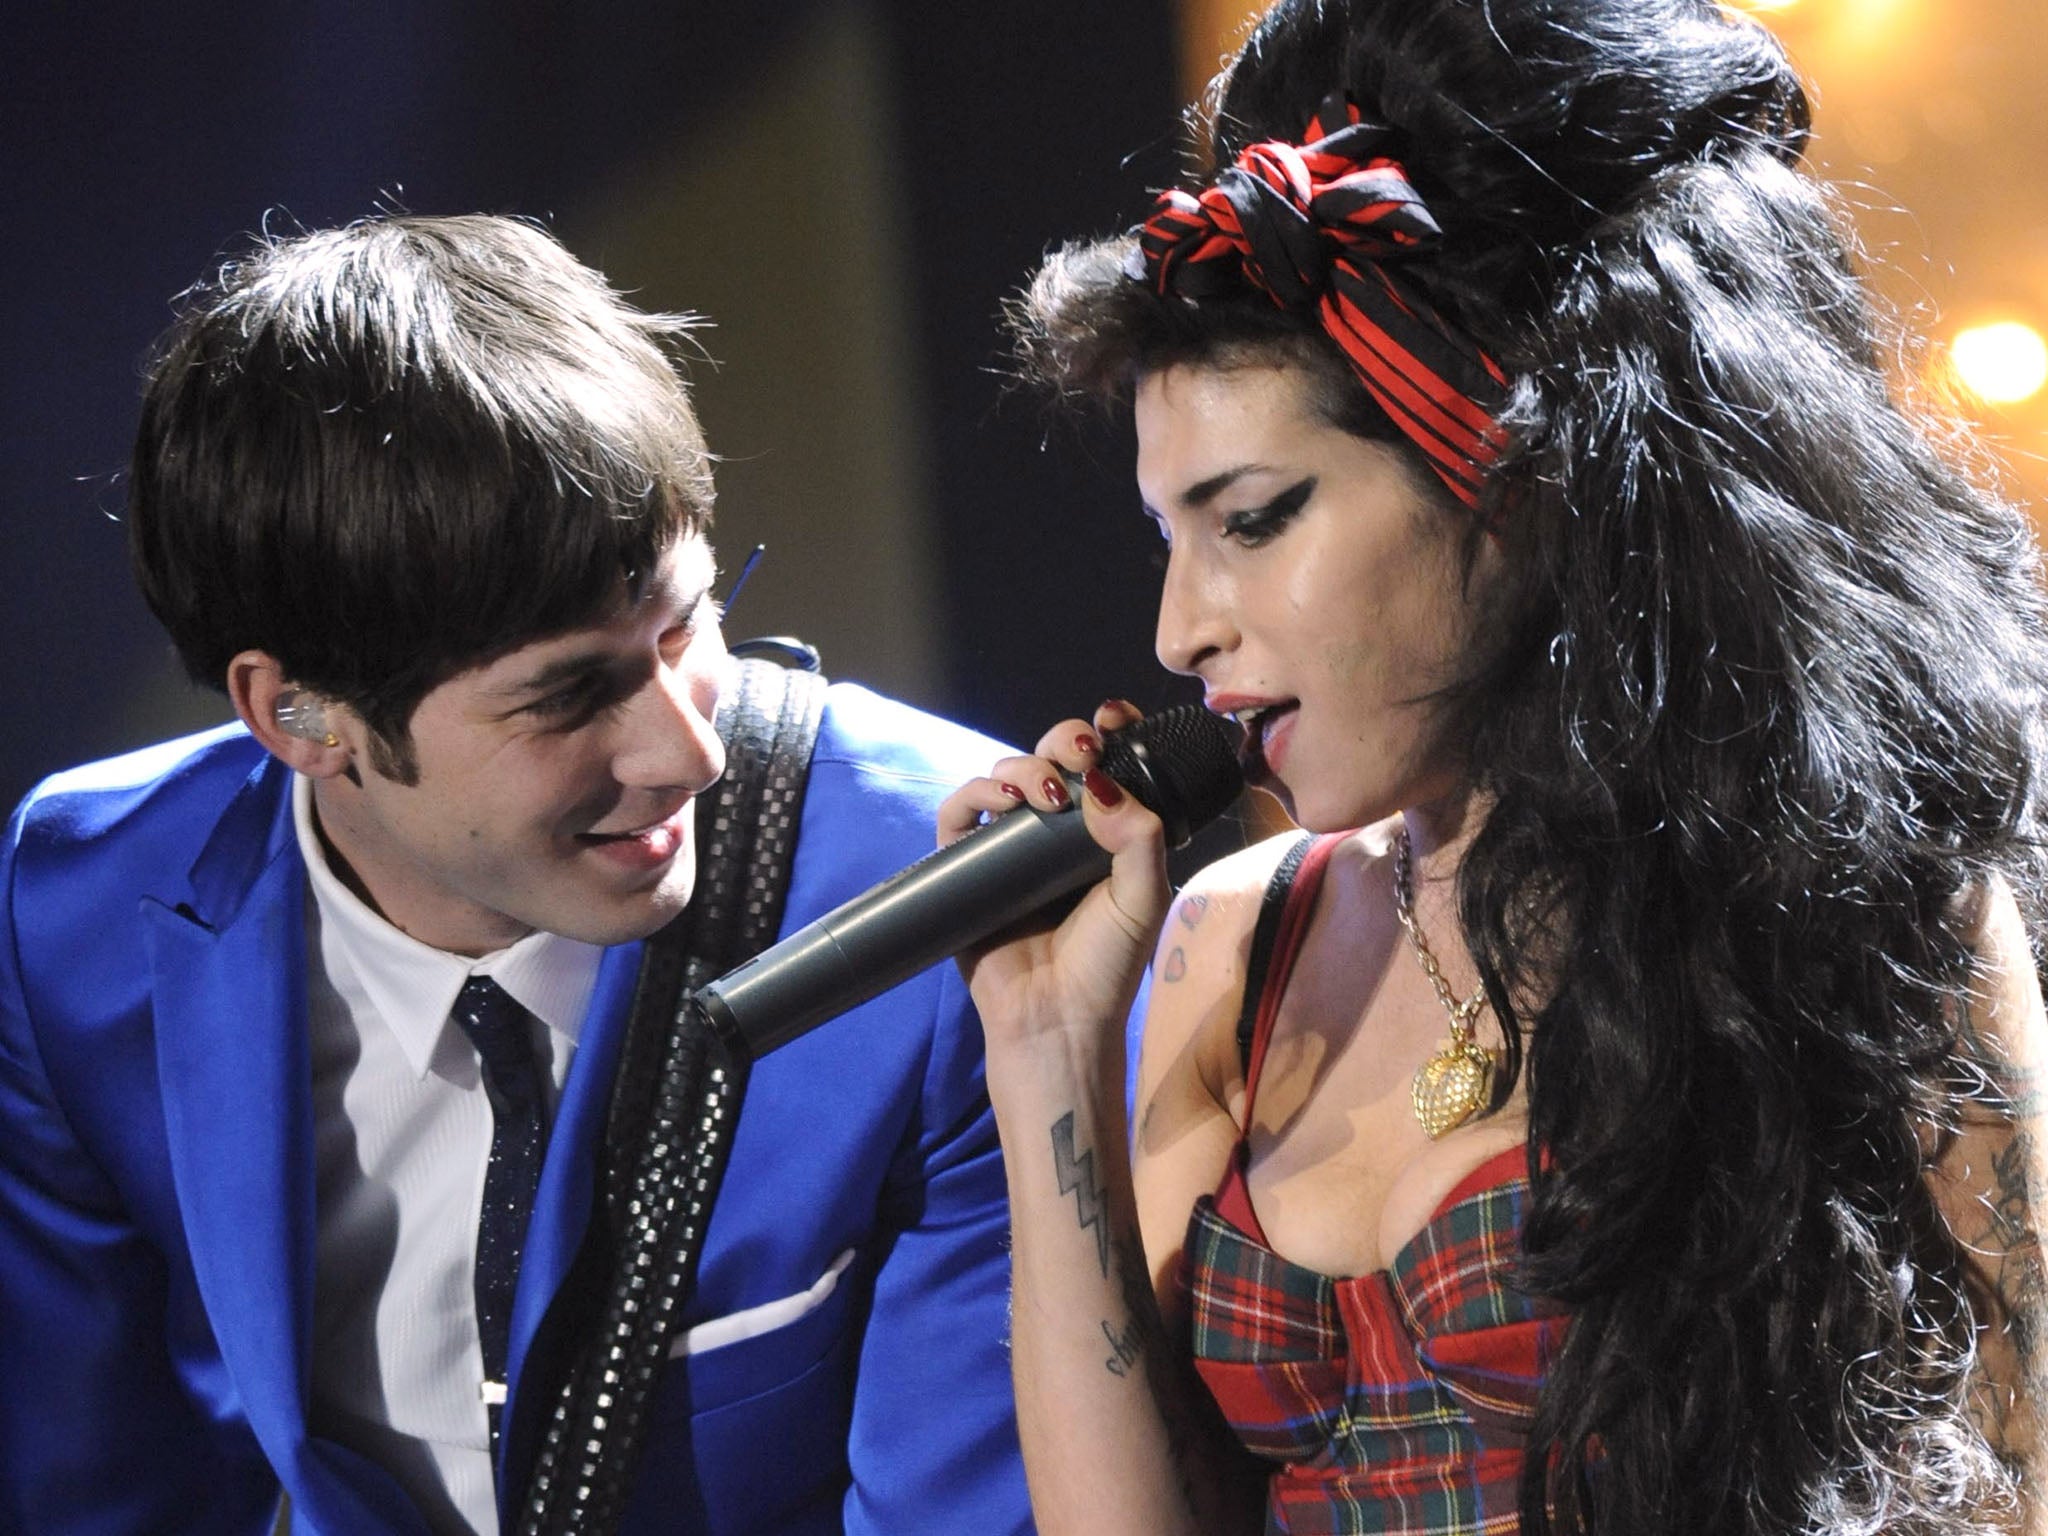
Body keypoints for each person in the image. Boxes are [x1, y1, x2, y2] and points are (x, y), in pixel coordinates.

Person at [940, 0, 2048, 1530]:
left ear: (1508, 468)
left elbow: (2014, 1477)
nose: (1182, 628)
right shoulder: (1233, 936)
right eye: (1166, 537)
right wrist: (1045, 1052)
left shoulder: (1867, 906)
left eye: (1254, 517)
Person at [0, 214, 1031, 1536]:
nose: (691, 749)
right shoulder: (78, 910)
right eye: (566, 698)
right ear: (301, 717)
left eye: (691, 620)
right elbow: (93, 1492)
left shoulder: (944, 885)